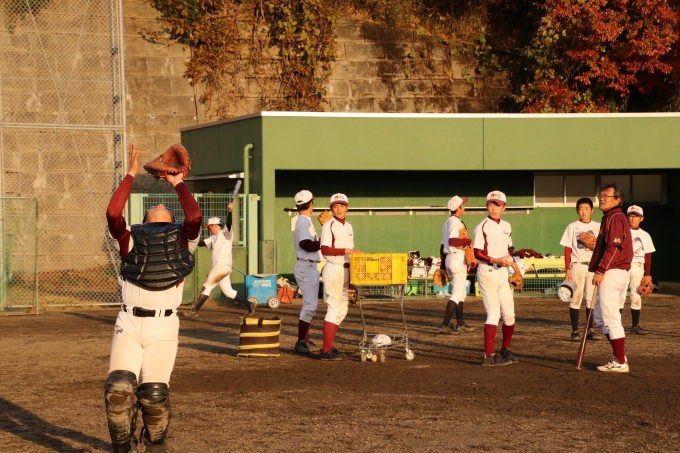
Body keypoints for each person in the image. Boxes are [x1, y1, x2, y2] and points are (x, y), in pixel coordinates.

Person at [104, 143, 201, 453]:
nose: (160, 204)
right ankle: (124, 448)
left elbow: (194, 215)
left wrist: (177, 182)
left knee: (155, 398)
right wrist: (131, 174)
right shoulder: (130, 238)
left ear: (172, 219)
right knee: (118, 391)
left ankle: (154, 446)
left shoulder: (184, 239)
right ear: (144, 220)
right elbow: (113, 213)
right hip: (130, 323)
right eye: (153, 206)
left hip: (163, 328)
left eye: (165, 206)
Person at [473, 191, 522, 367]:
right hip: (487, 271)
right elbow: (477, 252)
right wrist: (497, 260)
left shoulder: (507, 226)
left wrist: (515, 267)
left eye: (498, 205)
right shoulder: (482, 226)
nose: (494, 208)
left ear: (504, 208)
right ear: (487, 206)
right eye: (491, 204)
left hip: (503, 272)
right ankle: (488, 355)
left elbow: (507, 250)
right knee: (493, 313)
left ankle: (505, 349)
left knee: (509, 314)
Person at [589, 183, 633, 373]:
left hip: (612, 271)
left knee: (610, 317)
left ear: (617, 200)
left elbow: (614, 249)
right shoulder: (609, 217)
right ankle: (619, 355)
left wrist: (601, 270)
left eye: (606, 195)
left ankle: (620, 361)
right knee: (600, 317)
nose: (601, 198)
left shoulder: (616, 217)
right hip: (612, 271)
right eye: (600, 195)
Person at [183, 204, 256, 317]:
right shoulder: (213, 237)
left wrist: (230, 211)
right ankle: (250, 304)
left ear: (216, 225)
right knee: (228, 292)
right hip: (224, 268)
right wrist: (188, 240)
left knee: (207, 287)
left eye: (210, 227)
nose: (209, 229)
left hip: (220, 266)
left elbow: (229, 224)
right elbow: (201, 243)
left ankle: (194, 311)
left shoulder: (225, 234)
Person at [319, 193, 362, 360]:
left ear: (347, 208)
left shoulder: (348, 226)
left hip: (346, 269)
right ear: (331, 208)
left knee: (343, 310)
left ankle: (330, 346)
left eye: (342, 205)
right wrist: (348, 251)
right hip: (334, 268)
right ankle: (325, 350)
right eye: (335, 206)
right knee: (334, 309)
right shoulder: (329, 224)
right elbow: (325, 249)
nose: (338, 209)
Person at [559, 198, 602, 341]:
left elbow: (603, 248)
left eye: (587, 209)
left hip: (593, 265)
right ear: (577, 210)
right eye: (581, 209)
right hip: (577, 264)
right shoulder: (572, 226)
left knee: (591, 299)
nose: (584, 212)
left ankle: (590, 330)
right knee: (576, 297)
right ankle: (575, 331)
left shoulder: (598, 226)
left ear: (592, 210)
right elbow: (568, 249)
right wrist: (567, 268)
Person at [438, 195, 475, 334]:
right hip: (457, 258)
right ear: (458, 208)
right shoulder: (455, 222)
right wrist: (468, 241)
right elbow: (453, 241)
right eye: (462, 205)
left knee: (461, 293)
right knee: (457, 293)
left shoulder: (447, 222)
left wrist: (443, 265)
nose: (464, 207)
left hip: (450, 258)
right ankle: (445, 324)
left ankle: (460, 323)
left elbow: (443, 246)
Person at [292, 190, 322, 354]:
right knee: (310, 305)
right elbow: (305, 244)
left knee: (311, 305)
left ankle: (305, 339)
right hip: (306, 266)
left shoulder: (304, 220)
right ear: (311, 203)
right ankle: (301, 341)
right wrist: (323, 242)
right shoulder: (303, 221)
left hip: (308, 266)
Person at [619, 205, 655, 335]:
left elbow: (648, 255)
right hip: (622, 266)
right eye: (631, 216)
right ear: (627, 217)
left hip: (638, 266)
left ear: (642, 218)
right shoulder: (621, 233)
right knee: (620, 295)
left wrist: (648, 274)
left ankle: (635, 325)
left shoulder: (645, 235)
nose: (633, 219)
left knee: (636, 295)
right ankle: (616, 325)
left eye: (636, 216)